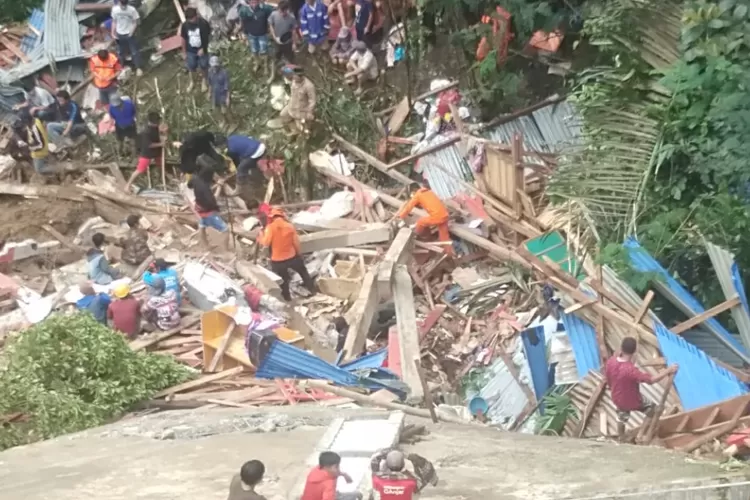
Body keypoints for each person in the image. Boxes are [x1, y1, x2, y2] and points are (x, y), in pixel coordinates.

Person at [605, 336, 679, 442]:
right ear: (635, 352)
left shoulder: (611, 362)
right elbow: (651, 380)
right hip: (633, 399)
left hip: (617, 397)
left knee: (621, 418)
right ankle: (640, 434)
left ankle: (621, 438)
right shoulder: (630, 370)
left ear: (621, 348)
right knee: (652, 409)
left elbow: (608, 379)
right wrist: (668, 370)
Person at [258, 207, 316, 301]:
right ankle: (313, 290)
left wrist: (261, 234)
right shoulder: (290, 226)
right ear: (282, 216)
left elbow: (266, 243)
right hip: (292, 256)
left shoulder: (270, 227)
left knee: (283, 280)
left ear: (272, 217)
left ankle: (287, 298)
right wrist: (298, 254)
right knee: (304, 273)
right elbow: (296, 243)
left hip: (277, 260)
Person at [396, 182, 454, 256]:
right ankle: (450, 254)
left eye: (411, 194)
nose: (412, 196)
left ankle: (416, 235)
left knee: (420, 221)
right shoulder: (429, 191)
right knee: (444, 238)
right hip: (444, 215)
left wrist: (400, 216)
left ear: (414, 191)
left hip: (437, 216)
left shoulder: (418, 194)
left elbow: (408, 207)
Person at [190, 165, 229, 247]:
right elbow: (213, 200)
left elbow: (190, 185)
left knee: (202, 227)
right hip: (208, 212)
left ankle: (206, 247)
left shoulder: (196, 179)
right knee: (225, 230)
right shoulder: (204, 187)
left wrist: (217, 185)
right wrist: (220, 187)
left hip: (199, 208)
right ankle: (225, 251)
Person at [125, 111, 165, 191]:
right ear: (151, 122)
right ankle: (127, 185)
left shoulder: (156, 127)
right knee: (140, 169)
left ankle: (161, 180)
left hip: (157, 151)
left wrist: (163, 132)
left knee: (161, 164)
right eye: (156, 121)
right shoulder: (146, 132)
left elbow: (160, 132)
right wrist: (161, 144)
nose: (157, 123)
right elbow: (149, 145)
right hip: (147, 153)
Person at [181, 7, 212, 92]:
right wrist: (183, 51)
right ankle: (192, 82)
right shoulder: (185, 26)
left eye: (193, 18)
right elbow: (183, 38)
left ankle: (204, 81)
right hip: (190, 50)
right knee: (191, 66)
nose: (192, 21)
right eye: (190, 19)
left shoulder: (203, 23)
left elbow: (208, 37)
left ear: (196, 16)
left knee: (203, 66)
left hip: (202, 49)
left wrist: (203, 48)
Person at [277, 65, 316, 131]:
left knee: (302, 128)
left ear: (301, 76)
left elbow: (312, 101)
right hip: (291, 106)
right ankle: (293, 128)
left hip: (301, 110)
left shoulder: (309, 86)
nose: (294, 78)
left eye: (296, 76)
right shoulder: (293, 81)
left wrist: (309, 112)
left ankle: (301, 130)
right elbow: (286, 69)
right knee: (282, 115)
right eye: (293, 75)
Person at [239, 0, 274, 71]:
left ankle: (265, 66)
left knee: (263, 51)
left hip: (262, 34)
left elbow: (272, 14)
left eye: (256, 2)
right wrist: (243, 32)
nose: (254, 4)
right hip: (251, 34)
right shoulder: (244, 10)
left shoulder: (265, 8)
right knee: (254, 50)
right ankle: (257, 63)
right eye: (252, 2)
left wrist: (270, 28)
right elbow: (242, 22)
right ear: (249, 2)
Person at [111, 0, 143, 75]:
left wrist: (132, 32)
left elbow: (136, 22)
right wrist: (112, 32)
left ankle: (138, 67)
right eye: (122, 4)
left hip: (129, 33)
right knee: (121, 51)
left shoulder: (132, 10)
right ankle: (121, 67)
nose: (123, 6)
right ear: (119, 2)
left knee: (134, 51)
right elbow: (114, 21)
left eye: (125, 4)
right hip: (119, 34)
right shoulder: (115, 10)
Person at [268, 0, 298, 69]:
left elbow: (294, 31)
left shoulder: (291, 17)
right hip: (277, 42)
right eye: (280, 12)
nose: (281, 14)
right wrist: (274, 36)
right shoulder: (274, 14)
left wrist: (294, 43)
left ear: (287, 9)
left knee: (290, 58)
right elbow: (270, 25)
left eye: (283, 12)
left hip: (287, 42)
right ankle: (275, 71)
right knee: (276, 57)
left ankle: (290, 72)